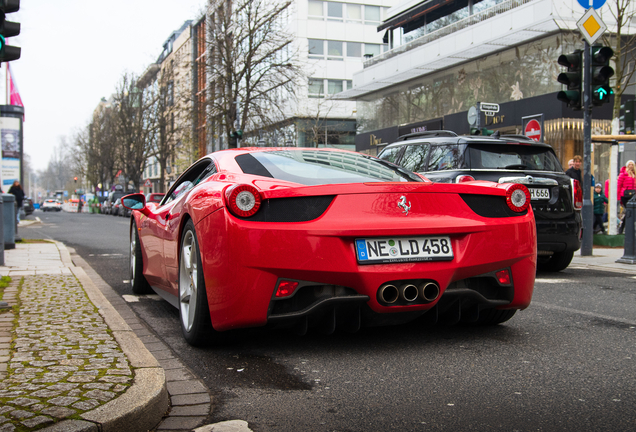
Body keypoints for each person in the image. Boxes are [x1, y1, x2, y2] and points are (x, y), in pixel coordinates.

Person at [617, 160, 636, 234]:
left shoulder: (634, 174)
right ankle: (622, 227)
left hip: (633, 195)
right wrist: (619, 197)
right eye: (629, 164)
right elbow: (619, 185)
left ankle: (628, 227)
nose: (631, 166)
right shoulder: (623, 174)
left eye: (632, 164)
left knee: (632, 212)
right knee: (629, 211)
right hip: (625, 195)